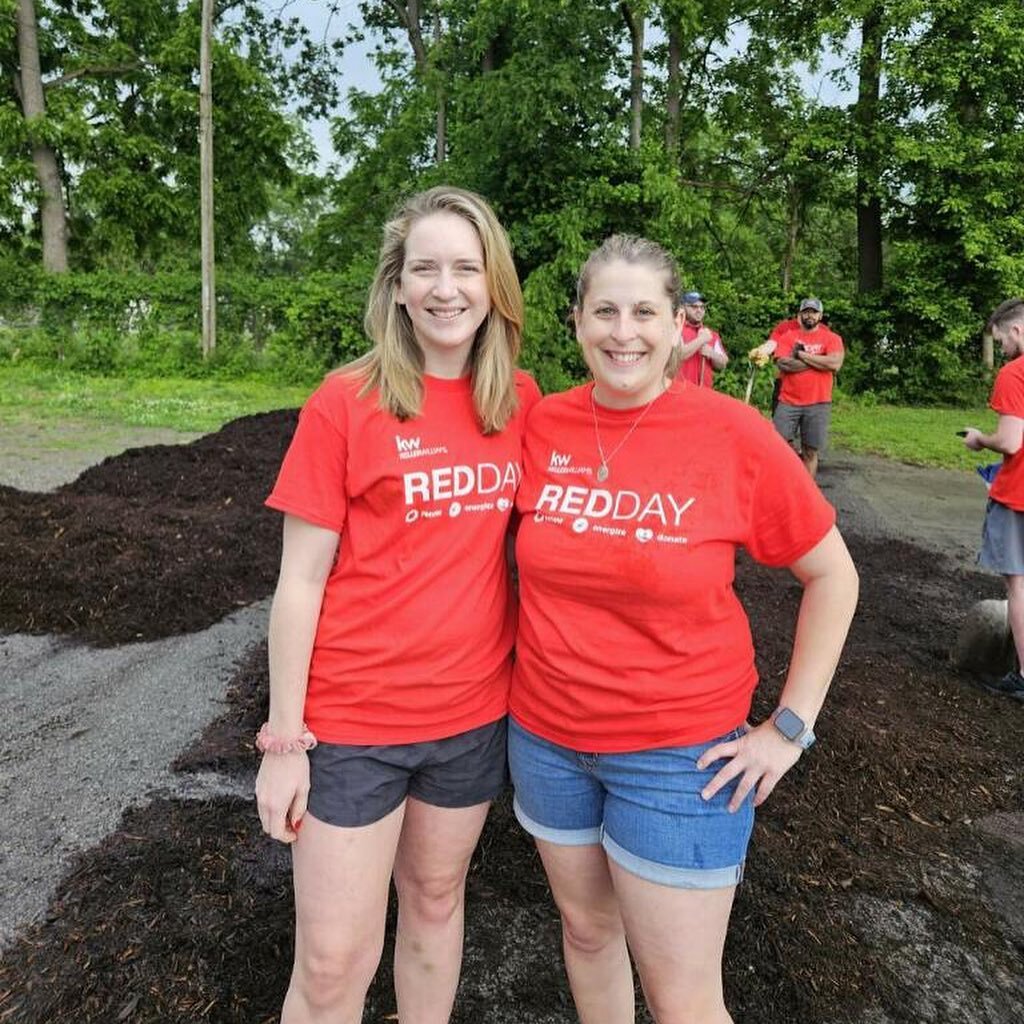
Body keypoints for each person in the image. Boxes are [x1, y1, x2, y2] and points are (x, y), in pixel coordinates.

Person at [509, 235, 859, 1024]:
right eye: (604, 311)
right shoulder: (544, 425)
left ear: (679, 328)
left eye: (644, 312)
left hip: (678, 760)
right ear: (576, 323)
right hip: (544, 739)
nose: (622, 332)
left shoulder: (732, 433)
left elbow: (834, 575)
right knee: (588, 932)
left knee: (685, 1001)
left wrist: (790, 727)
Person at [255, 185, 541, 1024]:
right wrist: (284, 742)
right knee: (335, 960)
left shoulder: (518, 402)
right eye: (426, 268)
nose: (446, 288)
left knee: (435, 904)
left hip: (470, 718)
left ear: (495, 285)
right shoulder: (345, 402)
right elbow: (298, 583)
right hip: (352, 726)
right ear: (398, 285)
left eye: (466, 267)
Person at [962, 297, 1024, 700]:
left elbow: (1011, 440)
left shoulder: (1014, 373)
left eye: (1001, 340)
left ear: (1016, 331)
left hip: (1018, 494)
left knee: (1019, 584)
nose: (1001, 347)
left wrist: (980, 439)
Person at [770, 297, 845, 478]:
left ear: (820, 316)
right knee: (777, 446)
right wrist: (821, 360)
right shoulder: (788, 337)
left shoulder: (832, 338)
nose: (809, 315)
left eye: (814, 312)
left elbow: (835, 364)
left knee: (810, 451)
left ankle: (808, 493)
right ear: (799, 315)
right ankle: (784, 486)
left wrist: (801, 354)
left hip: (818, 403)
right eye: (806, 312)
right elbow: (784, 364)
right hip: (788, 402)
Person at [749, 313, 802, 414]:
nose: (807, 315)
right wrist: (761, 351)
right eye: (804, 311)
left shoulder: (823, 330)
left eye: (812, 312)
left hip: (812, 387)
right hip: (784, 383)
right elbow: (773, 343)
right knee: (779, 422)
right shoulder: (785, 327)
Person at [677, 290, 728, 388]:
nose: (699, 310)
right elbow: (678, 355)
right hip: (680, 390)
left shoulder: (711, 334)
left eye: (702, 307)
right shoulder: (675, 329)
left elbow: (723, 364)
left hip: (704, 394)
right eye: (694, 307)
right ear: (683, 308)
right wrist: (701, 340)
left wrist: (712, 353)